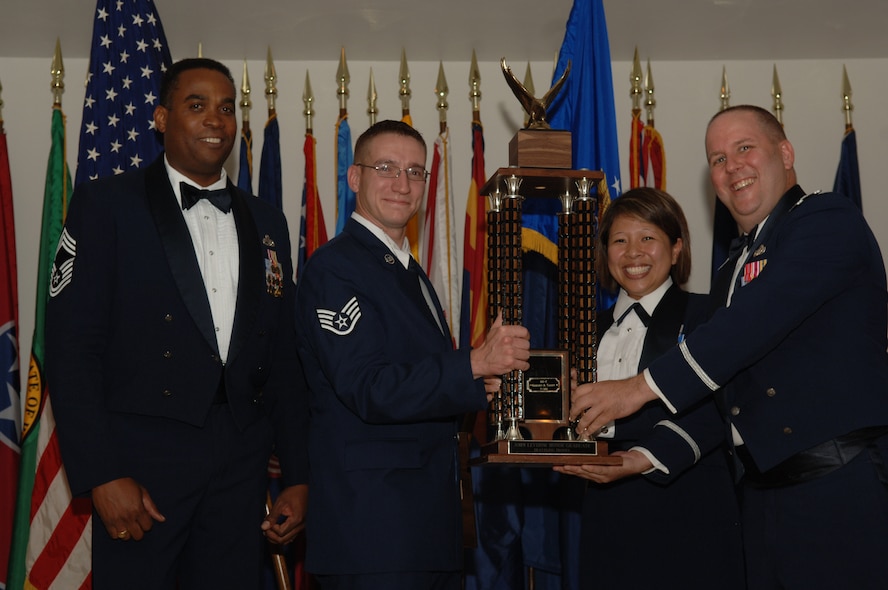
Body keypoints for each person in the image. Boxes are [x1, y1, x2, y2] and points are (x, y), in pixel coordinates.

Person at [571, 105, 888, 589]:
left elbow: (753, 323)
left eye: (744, 148)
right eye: (717, 159)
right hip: (762, 499)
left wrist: (637, 388)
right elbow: (724, 395)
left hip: (836, 487)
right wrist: (641, 458)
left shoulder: (826, 219)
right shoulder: (729, 273)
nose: (731, 166)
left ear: (785, 152)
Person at [46, 58, 308, 589]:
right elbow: (72, 349)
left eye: (228, 108)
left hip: (240, 466)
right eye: (197, 105)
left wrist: (301, 476)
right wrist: (100, 473)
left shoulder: (267, 219)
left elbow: (282, 358)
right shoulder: (107, 204)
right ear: (162, 119)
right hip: (140, 466)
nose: (217, 119)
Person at [294, 119, 531, 590]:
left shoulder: (407, 271)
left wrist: (487, 385)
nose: (403, 184)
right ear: (354, 178)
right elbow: (368, 387)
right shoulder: (336, 269)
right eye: (387, 168)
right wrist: (472, 364)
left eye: (416, 172)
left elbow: (425, 386)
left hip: (425, 525)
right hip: (374, 532)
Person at [554, 187, 744, 589]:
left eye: (648, 239)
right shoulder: (582, 330)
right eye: (619, 240)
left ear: (676, 248)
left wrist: (641, 457)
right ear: (605, 253)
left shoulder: (709, 316)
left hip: (689, 513)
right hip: (605, 518)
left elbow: (720, 405)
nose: (633, 252)